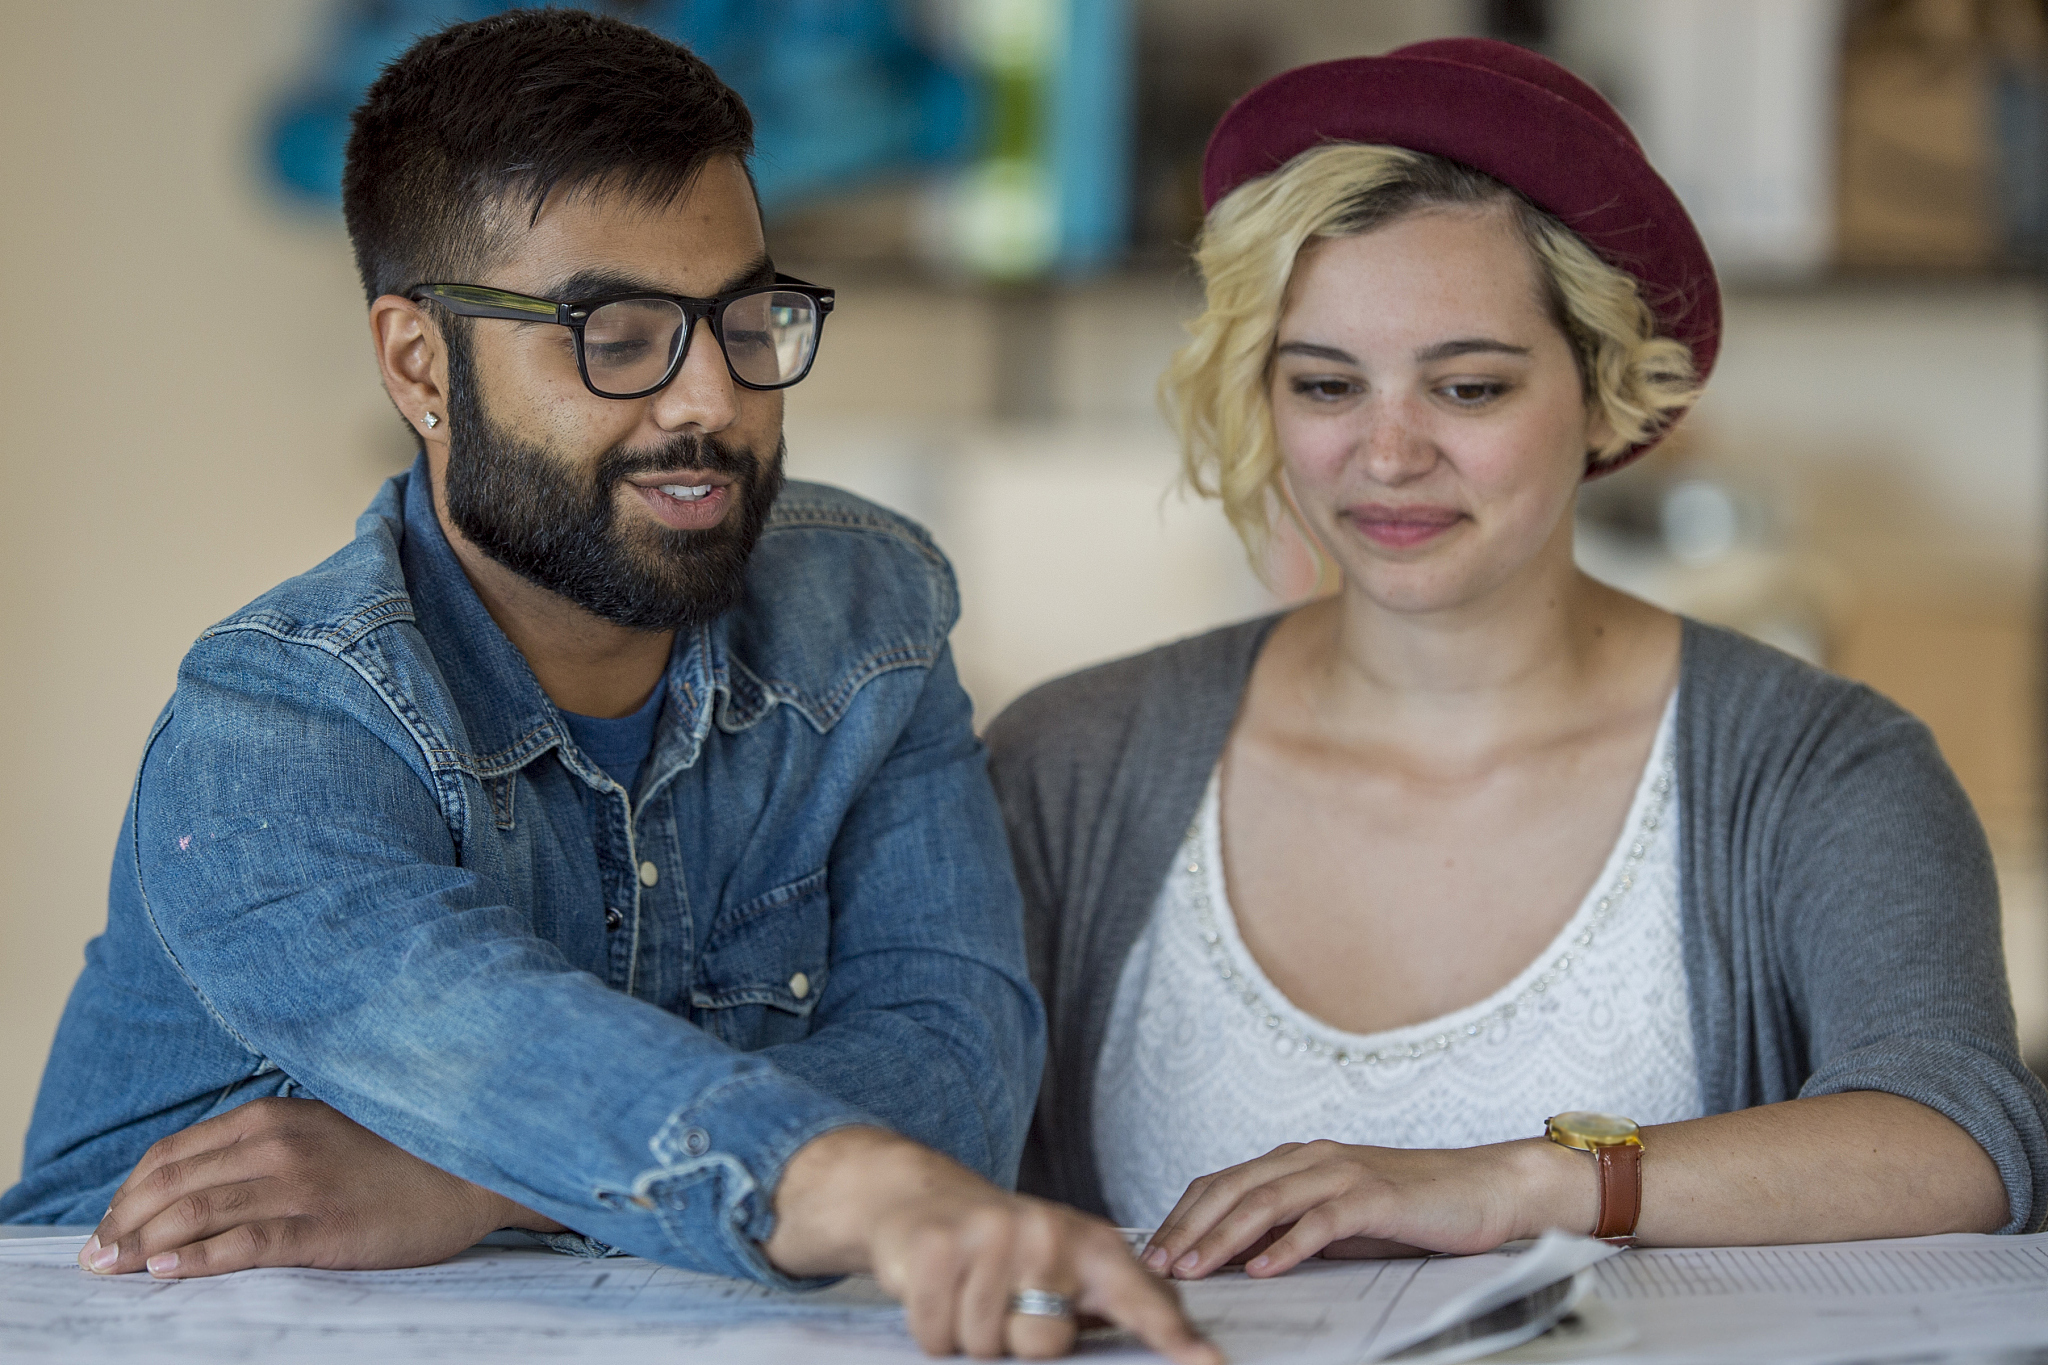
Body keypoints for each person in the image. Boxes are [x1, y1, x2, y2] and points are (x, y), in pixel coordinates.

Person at [0, 14, 1212, 1361]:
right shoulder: (277, 725)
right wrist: (829, 1180)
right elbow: (487, 1048)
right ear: (419, 365)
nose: (708, 398)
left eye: (747, 317)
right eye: (613, 333)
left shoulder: (867, 618)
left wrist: (477, 1180)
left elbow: (957, 1073)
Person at [986, 38, 2048, 1281]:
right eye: (1325, 385)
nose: (1386, 456)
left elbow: (1961, 1144)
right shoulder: (1066, 761)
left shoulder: (1821, 768)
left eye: (1469, 389)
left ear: (1606, 394)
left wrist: (1510, 1184)